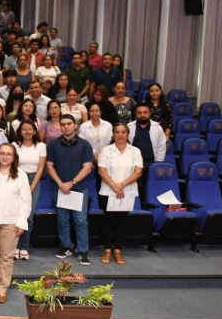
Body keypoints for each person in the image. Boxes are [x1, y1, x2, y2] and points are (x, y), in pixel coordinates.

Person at [0, 143, 31, 304]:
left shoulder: (21, 175)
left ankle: (3, 288)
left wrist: (22, 221)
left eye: (8, 154)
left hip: (11, 221)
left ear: (14, 157)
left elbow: (26, 201)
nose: (5, 156)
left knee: (6, 256)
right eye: (2, 153)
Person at [45, 114, 95, 265]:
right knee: (62, 220)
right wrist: (61, 183)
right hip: (59, 189)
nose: (66, 126)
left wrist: (71, 183)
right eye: (63, 124)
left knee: (80, 221)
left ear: (75, 125)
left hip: (78, 189)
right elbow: (49, 166)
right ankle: (66, 246)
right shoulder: (53, 145)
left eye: (69, 124)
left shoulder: (85, 145)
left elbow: (87, 168)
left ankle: (83, 250)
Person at [98, 124, 143, 265]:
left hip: (127, 192)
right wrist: (114, 186)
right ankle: (106, 249)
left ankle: (117, 250)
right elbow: (101, 170)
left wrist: (121, 185)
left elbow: (138, 172)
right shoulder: (106, 150)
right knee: (107, 222)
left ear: (128, 134)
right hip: (108, 191)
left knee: (121, 223)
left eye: (123, 132)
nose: (120, 134)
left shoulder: (135, 151)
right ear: (113, 134)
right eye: (117, 132)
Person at [13, 120, 46, 260]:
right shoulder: (14, 146)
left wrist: (32, 186)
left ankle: (24, 247)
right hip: (17, 178)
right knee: (15, 214)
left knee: (28, 216)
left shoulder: (41, 146)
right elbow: (12, 165)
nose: (27, 131)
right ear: (19, 132)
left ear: (34, 131)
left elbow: (41, 168)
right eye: (24, 129)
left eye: (30, 129)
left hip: (34, 180)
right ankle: (14, 246)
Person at [127, 102, 167, 190]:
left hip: (151, 163)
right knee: (132, 188)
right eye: (139, 113)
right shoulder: (129, 127)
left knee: (148, 188)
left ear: (150, 113)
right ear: (135, 114)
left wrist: (158, 164)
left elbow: (161, 147)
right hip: (133, 163)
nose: (142, 115)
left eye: (145, 112)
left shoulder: (157, 128)